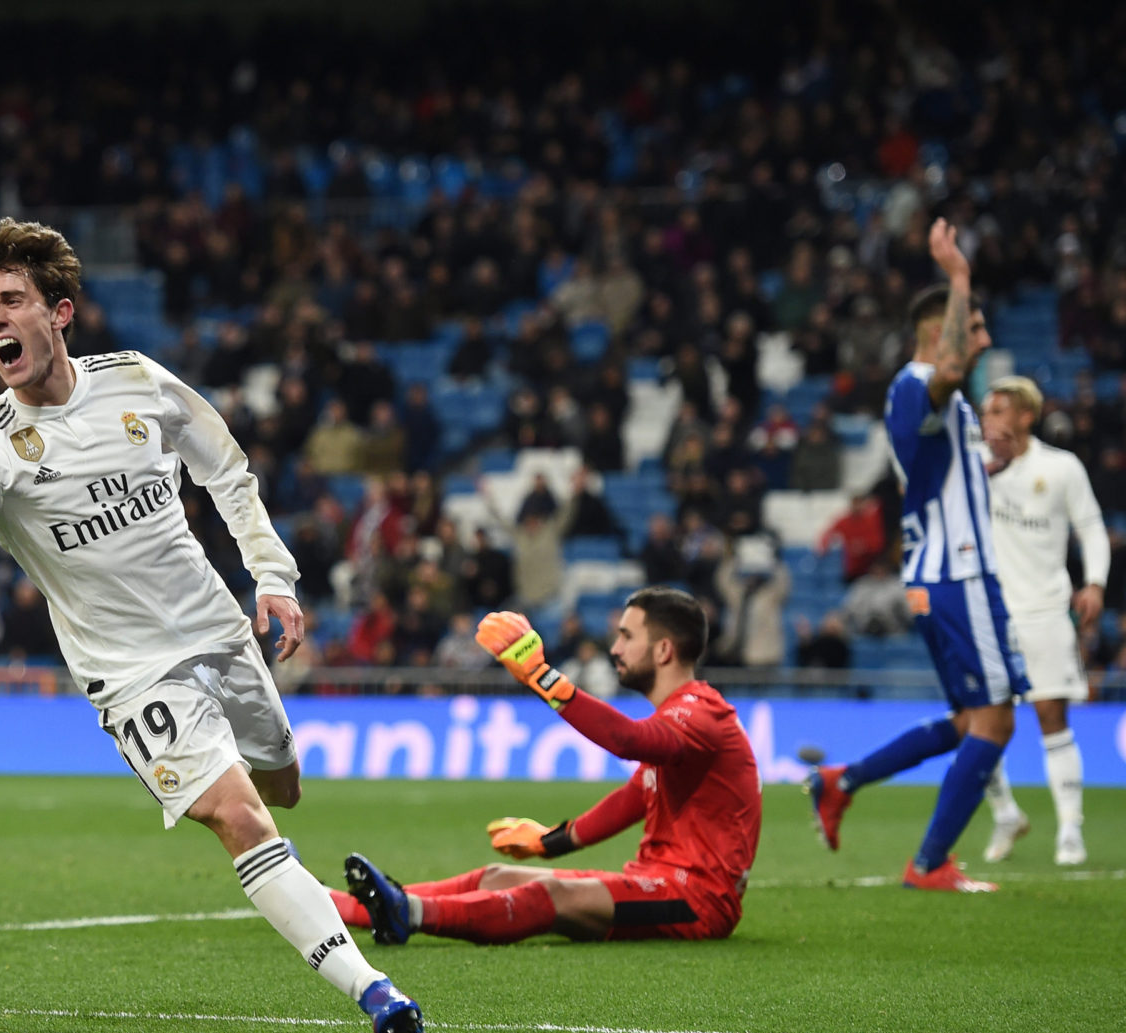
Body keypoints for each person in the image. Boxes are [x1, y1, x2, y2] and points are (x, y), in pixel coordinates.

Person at [0, 218, 421, 1033]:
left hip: (219, 632)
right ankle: (373, 991)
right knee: (239, 818)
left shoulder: (137, 383)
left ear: (60, 313)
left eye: (11, 300)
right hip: (131, 675)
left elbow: (226, 468)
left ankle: (366, 909)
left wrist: (273, 576)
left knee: (281, 787)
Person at [332, 587, 761, 946]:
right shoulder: (681, 721)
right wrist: (546, 842)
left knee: (547, 893)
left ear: (664, 649)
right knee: (499, 876)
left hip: (699, 899)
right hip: (659, 879)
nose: (615, 648)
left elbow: (629, 741)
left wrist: (541, 676)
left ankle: (408, 913)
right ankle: (344, 906)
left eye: (627, 636)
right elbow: (627, 804)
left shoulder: (703, 714)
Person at [807, 218, 1030, 892]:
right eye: (975, 325)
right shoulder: (917, 383)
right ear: (940, 332)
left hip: (939, 576)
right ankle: (929, 863)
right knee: (996, 721)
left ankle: (841, 780)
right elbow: (954, 366)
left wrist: (992, 465)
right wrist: (959, 276)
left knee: (968, 720)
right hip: (959, 572)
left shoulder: (942, 401)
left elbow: (941, 475)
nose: (985, 337)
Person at [976, 375, 1110, 865]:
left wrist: (1094, 581)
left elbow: (1091, 527)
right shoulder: (976, 469)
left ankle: (1070, 831)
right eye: (986, 411)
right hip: (989, 614)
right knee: (978, 722)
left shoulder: (1060, 467)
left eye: (998, 410)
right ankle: (1006, 814)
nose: (989, 418)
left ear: (1025, 415)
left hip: (1046, 612)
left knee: (1052, 719)